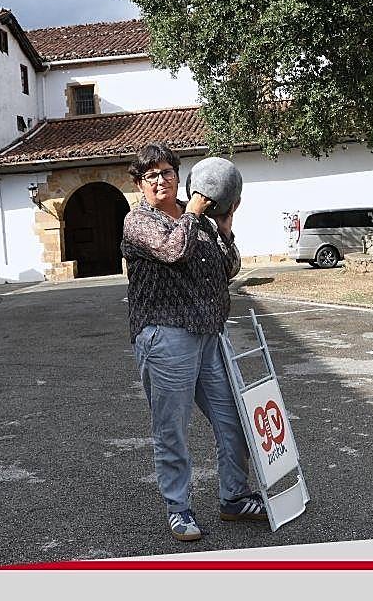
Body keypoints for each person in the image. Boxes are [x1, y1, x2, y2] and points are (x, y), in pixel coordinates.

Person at [121, 143, 267, 542]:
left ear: (178, 175)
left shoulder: (198, 219)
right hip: (165, 336)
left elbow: (228, 269)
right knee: (172, 429)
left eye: (167, 172)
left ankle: (234, 497)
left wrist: (225, 230)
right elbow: (173, 251)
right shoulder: (138, 221)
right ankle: (179, 509)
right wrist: (195, 213)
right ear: (139, 184)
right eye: (151, 175)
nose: (160, 180)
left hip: (208, 335)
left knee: (232, 419)